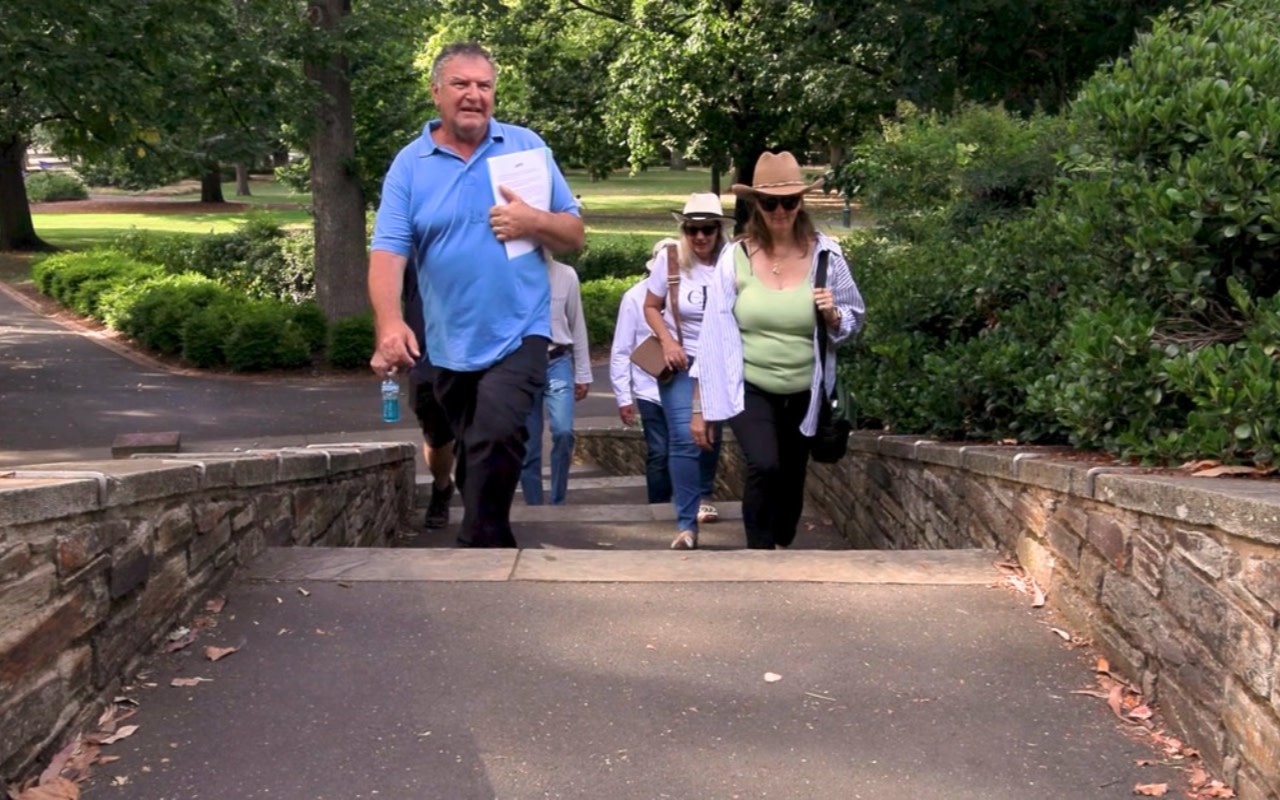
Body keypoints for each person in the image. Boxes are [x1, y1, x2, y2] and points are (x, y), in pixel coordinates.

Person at [368, 42, 584, 548]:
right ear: (437, 92)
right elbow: (388, 252)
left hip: (520, 327)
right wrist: (389, 324)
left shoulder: (525, 148)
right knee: (475, 445)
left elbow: (574, 234)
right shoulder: (411, 165)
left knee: (498, 432)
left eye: (484, 86)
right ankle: (485, 526)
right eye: (462, 85)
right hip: (446, 339)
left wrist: (533, 220)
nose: (474, 96)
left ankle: (483, 547)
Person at [691, 151, 865, 550]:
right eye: (770, 202)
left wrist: (835, 317)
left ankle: (780, 541)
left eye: (790, 201)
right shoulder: (734, 258)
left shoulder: (827, 255)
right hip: (750, 385)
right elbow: (713, 335)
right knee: (764, 464)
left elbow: (855, 315)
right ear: (756, 205)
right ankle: (758, 554)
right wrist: (701, 406)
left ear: (801, 203)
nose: (780, 210)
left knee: (790, 476)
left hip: (805, 390)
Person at [643, 193, 730, 550]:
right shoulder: (672, 261)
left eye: (707, 229)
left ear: (719, 230)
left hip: (721, 362)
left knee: (710, 434)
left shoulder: (732, 260)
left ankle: (705, 491)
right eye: (692, 229)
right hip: (682, 362)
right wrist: (667, 341)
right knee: (683, 435)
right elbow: (651, 306)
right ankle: (685, 522)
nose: (700, 237)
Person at [520, 257, 591, 505]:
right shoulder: (511, 273)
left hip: (558, 360)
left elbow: (577, 323)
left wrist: (583, 372)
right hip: (524, 363)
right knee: (528, 443)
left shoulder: (566, 274)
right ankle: (534, 505)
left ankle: (558, 500)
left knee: (563, 431)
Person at [400, 265, 456, 529]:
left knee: (484, 432)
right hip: (425, 358)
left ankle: (483, 508)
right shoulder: (411, 238)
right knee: (437, 439)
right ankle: (442, 486)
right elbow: (385, 291)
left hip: (480, 352)